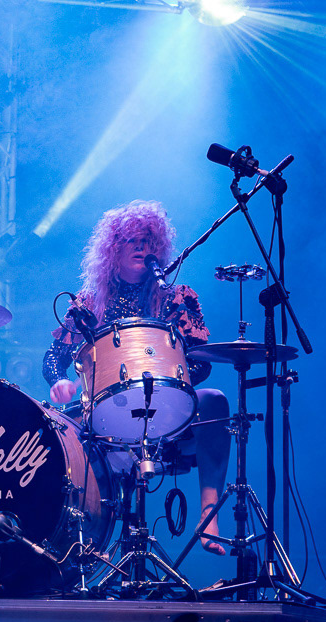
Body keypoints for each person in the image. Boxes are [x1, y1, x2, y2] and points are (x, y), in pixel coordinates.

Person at [42, 200, 231, 555]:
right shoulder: (90, 302)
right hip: (104, 414)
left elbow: (202, 359)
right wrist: (58, 381)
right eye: (132, 240)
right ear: (113, 249)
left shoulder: (175, 296)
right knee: (56, 433)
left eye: (149, 241)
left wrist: (170, 378)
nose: (143, 247)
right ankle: (78, 541)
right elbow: (54, 356)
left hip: (168, 407)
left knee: (216, 401)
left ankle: (209, 516)